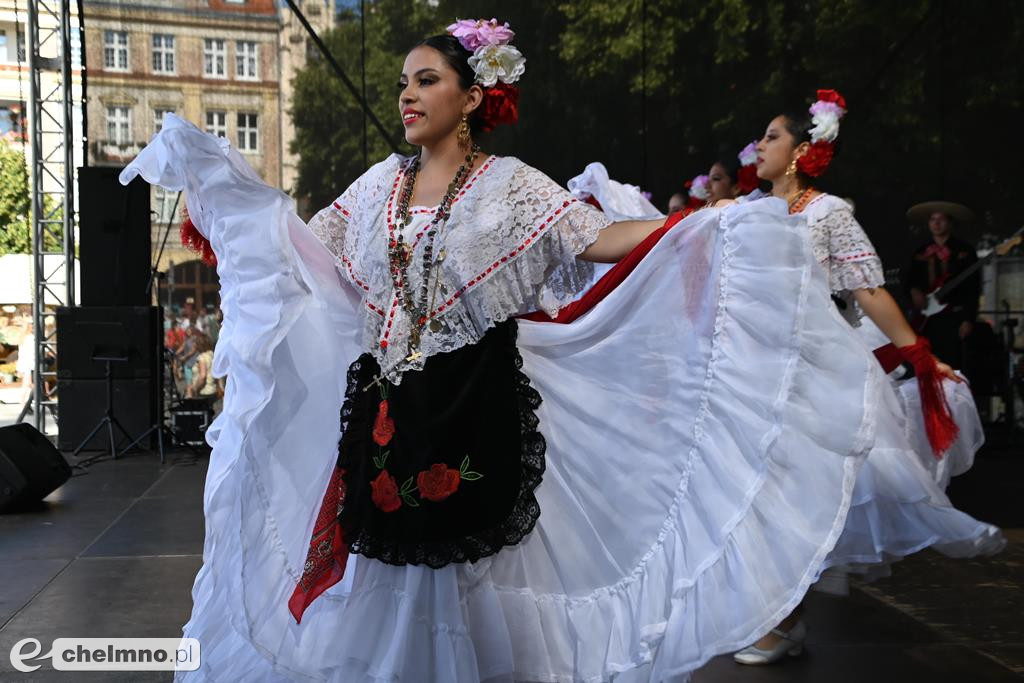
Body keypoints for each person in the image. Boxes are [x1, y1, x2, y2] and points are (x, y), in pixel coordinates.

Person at [129, 24, 924, 682]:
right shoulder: (377, 187)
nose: (407, 93)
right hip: (388, 414)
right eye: (404, 81)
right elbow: (310, 249)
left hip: (476, 405)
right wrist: (231, 210)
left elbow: (593, 236)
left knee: (472, 578)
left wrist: (697, 225)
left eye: (427, 79)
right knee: (388, 571)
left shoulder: (509, 186)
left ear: (472, 96)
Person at [731, 89, 1002, 665]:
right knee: (751, 495)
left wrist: (919, 355)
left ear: (803, 150)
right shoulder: (749, 209)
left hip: (810, 370)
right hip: (752, 366)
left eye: (772, 136)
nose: (759, 145)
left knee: (790, 495)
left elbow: (868, 290)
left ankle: (783, 619)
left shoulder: (828, 214)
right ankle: (777, 616)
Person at [906, 201, 980, 369]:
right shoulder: (920, 251)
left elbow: (973, 287)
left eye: (941, 219)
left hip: (953, 317)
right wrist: (914, 291)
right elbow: (909, 279)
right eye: (932, 219)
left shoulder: (964, 250)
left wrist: (968, 319)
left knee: (951, 364)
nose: (936, 223)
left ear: (950, 223)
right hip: (925, 318)